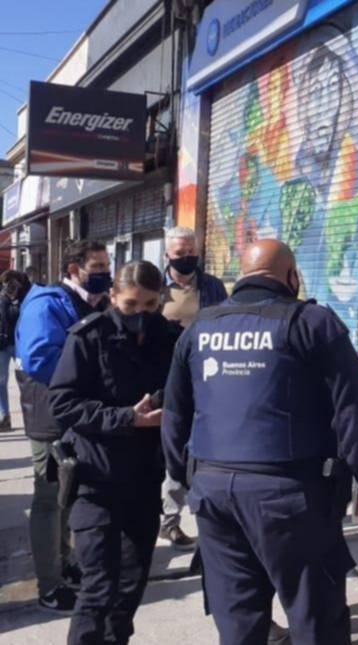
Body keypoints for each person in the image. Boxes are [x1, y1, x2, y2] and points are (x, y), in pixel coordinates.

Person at [161, 239, 358, 644]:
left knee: (239, 621)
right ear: (291, 277)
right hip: (291, 496)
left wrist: (187, 477)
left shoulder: (200, 327)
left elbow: (175, 415)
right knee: (316, 619)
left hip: (214, 495)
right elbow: (355, 412)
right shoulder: (312, 323)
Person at [48, 261, 180, 645]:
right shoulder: (89, 337)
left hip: (144, 479)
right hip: (96, 479)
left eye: (150, 305)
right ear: (112, 297)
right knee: (98, 587)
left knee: (130, 585)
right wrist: (126, 418)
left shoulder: (170, 338)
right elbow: (63, 403)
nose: (141, 314)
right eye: (131, 305)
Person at [15, 240, 112, 613]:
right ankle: (49, 585)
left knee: (70, 495)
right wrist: (91, 378)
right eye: (98, 266)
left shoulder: (93, 302)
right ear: (74, 269)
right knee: (49, 497)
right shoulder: (47, 304)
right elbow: (39, 357)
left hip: (78, 413)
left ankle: (66, 561)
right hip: (49, 414)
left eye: (106, 265)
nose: (105, 272)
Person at [158, 226, 228, 551]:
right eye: (180, 253)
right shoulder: (156, 286)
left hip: (206, 378)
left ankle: (208, 519)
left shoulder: (212, 286)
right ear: (167, 255)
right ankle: (169, 521)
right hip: (164, 380)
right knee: (171, 449)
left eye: (191, 252)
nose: (187, 258)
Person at [0, 270, 30, 432]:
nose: (10, 287)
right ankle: (4, 416)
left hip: (20, 345)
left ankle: (30, 416)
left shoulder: (26, 297)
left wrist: (17, 299)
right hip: (2, 346)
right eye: (7, 284)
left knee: (25, 381)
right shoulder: (2, 298)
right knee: (1, 381)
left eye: (13, 283)